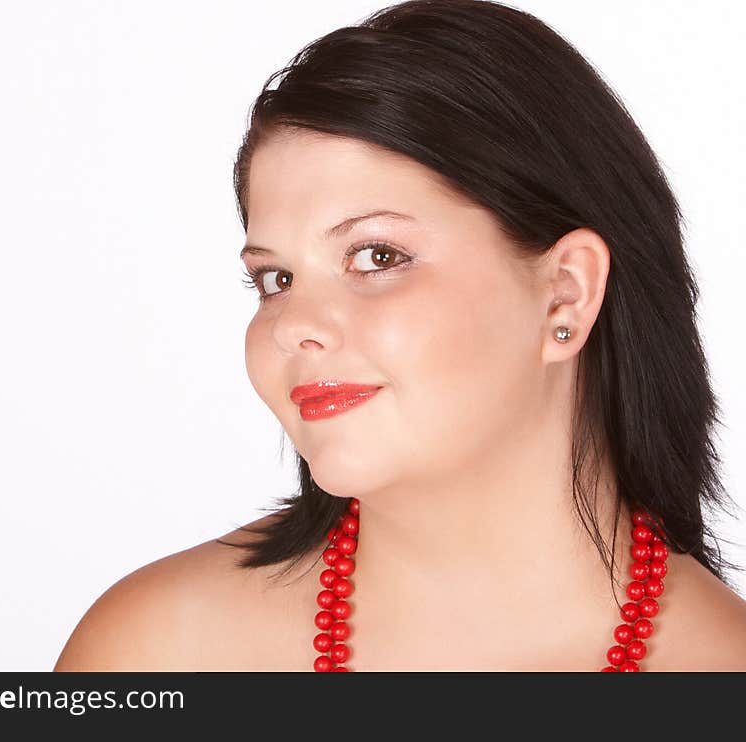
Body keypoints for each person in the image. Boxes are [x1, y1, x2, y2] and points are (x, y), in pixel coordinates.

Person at [54, 0, 746, 671]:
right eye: (276, 279)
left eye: (377, 256)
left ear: (564, 292)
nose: (293, 325)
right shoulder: (157, 653)